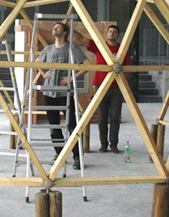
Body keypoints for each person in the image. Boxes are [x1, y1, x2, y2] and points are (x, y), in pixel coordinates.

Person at [35, 22, 89, 170]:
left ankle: (77, 156)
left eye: (58, 28)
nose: (54, 29)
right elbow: (36, 62)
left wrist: (72, 78)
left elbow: (87, 64)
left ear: (65, 33)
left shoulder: (72, 48)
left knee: (72, 125)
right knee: (54, 125)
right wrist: (43, 73)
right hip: (49, 92)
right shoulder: (48, 49)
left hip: (65, 92)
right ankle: (59, 155)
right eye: (54, 27)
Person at [82, 25, 130, 153]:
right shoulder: (100, 46)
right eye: (110, 31)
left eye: (114, 32)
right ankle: (103, 144)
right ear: (107, 34)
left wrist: (122, 83)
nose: (112, 34)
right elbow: (82, 40)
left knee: (115, 117)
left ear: (118, 35)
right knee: (102, 117)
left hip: (116, 88)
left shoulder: (122, 49)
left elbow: (128, 68)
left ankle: (114, 144)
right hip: (100, 86)